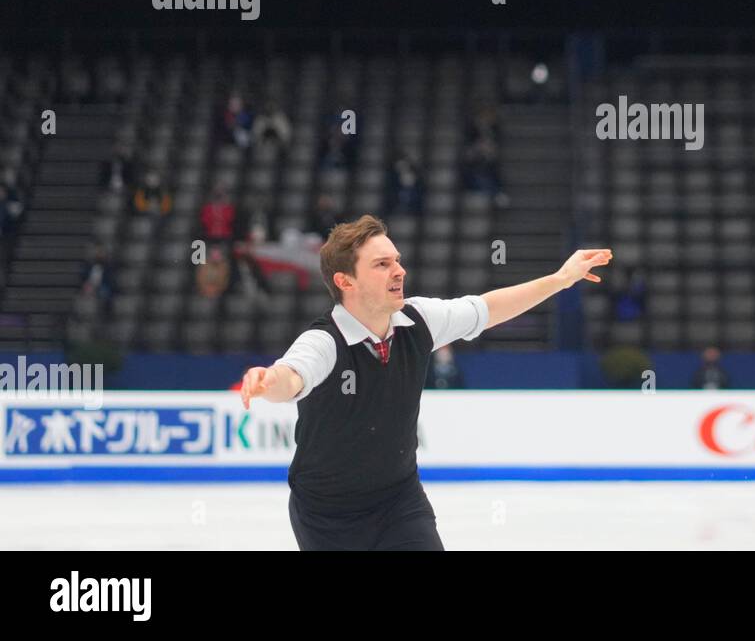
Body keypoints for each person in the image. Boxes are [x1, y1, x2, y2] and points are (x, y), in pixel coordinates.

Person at [239, 214, 610, 551]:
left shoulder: (419, 320)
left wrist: (561, 280)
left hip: (399, 502)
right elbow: (292, 376)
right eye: (382, 265)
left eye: (397, 260)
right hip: (327, 517)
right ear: (345, 281)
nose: (398, 271)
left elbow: (489, 308)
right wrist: (266, 380)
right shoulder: (324, 341)